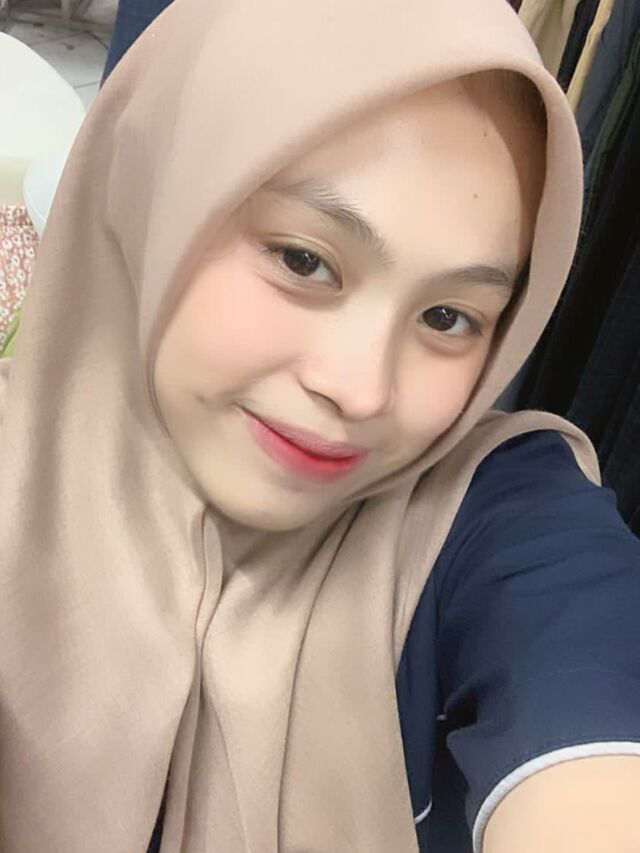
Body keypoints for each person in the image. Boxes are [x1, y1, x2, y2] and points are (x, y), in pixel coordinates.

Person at [1, 1, 639, 851]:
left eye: (448, 317)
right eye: (304, 260)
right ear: (154, 195)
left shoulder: (495, 520)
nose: (362, 390)